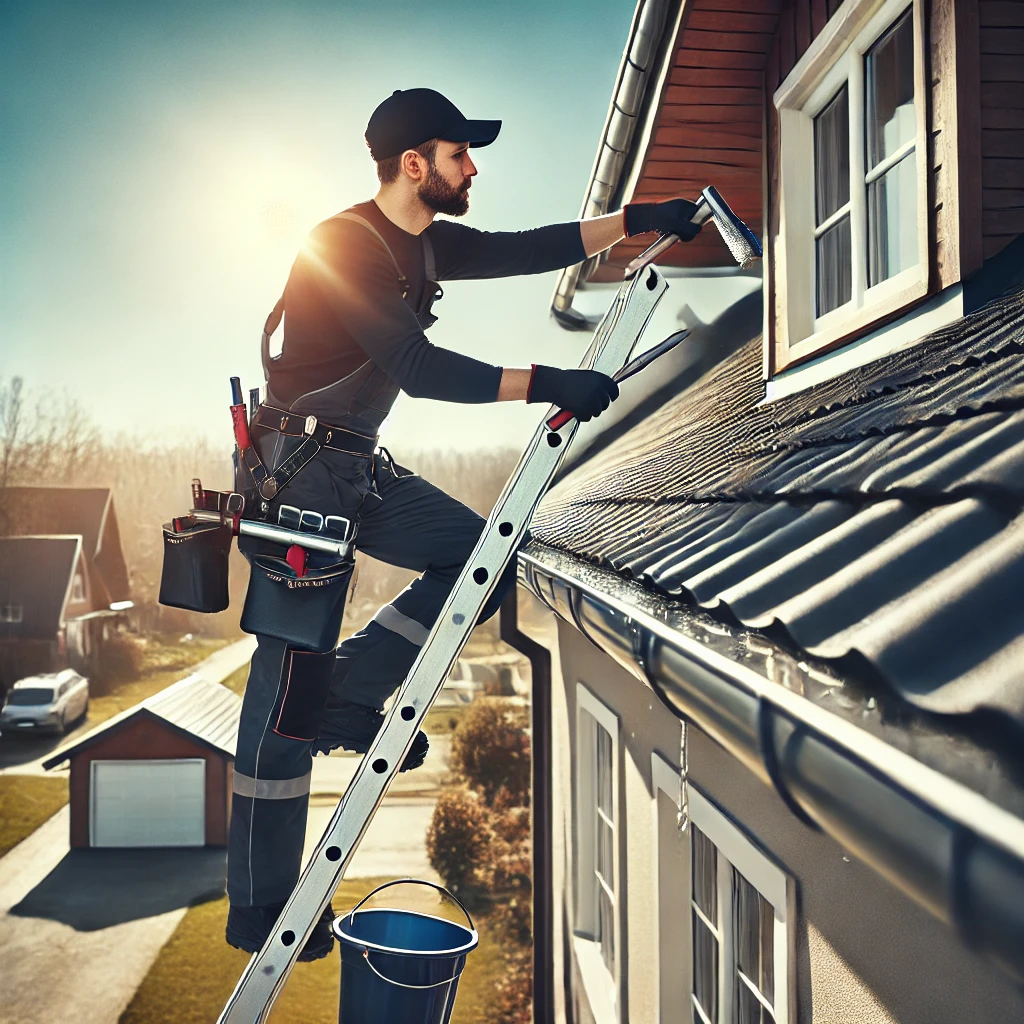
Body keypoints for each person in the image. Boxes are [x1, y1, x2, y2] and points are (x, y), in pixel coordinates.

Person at [225, 87, 702, 958]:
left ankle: (352, 689)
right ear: (415, 165)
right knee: (283, 698)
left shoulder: (425, 244)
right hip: (299, 482)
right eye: (459, 153)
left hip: (357, 469)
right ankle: (259, 906)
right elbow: (415, 364)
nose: (472, 166)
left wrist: (641, 217)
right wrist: (549, 382)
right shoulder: (342, 247)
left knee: (486, 557)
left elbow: (531, 249)